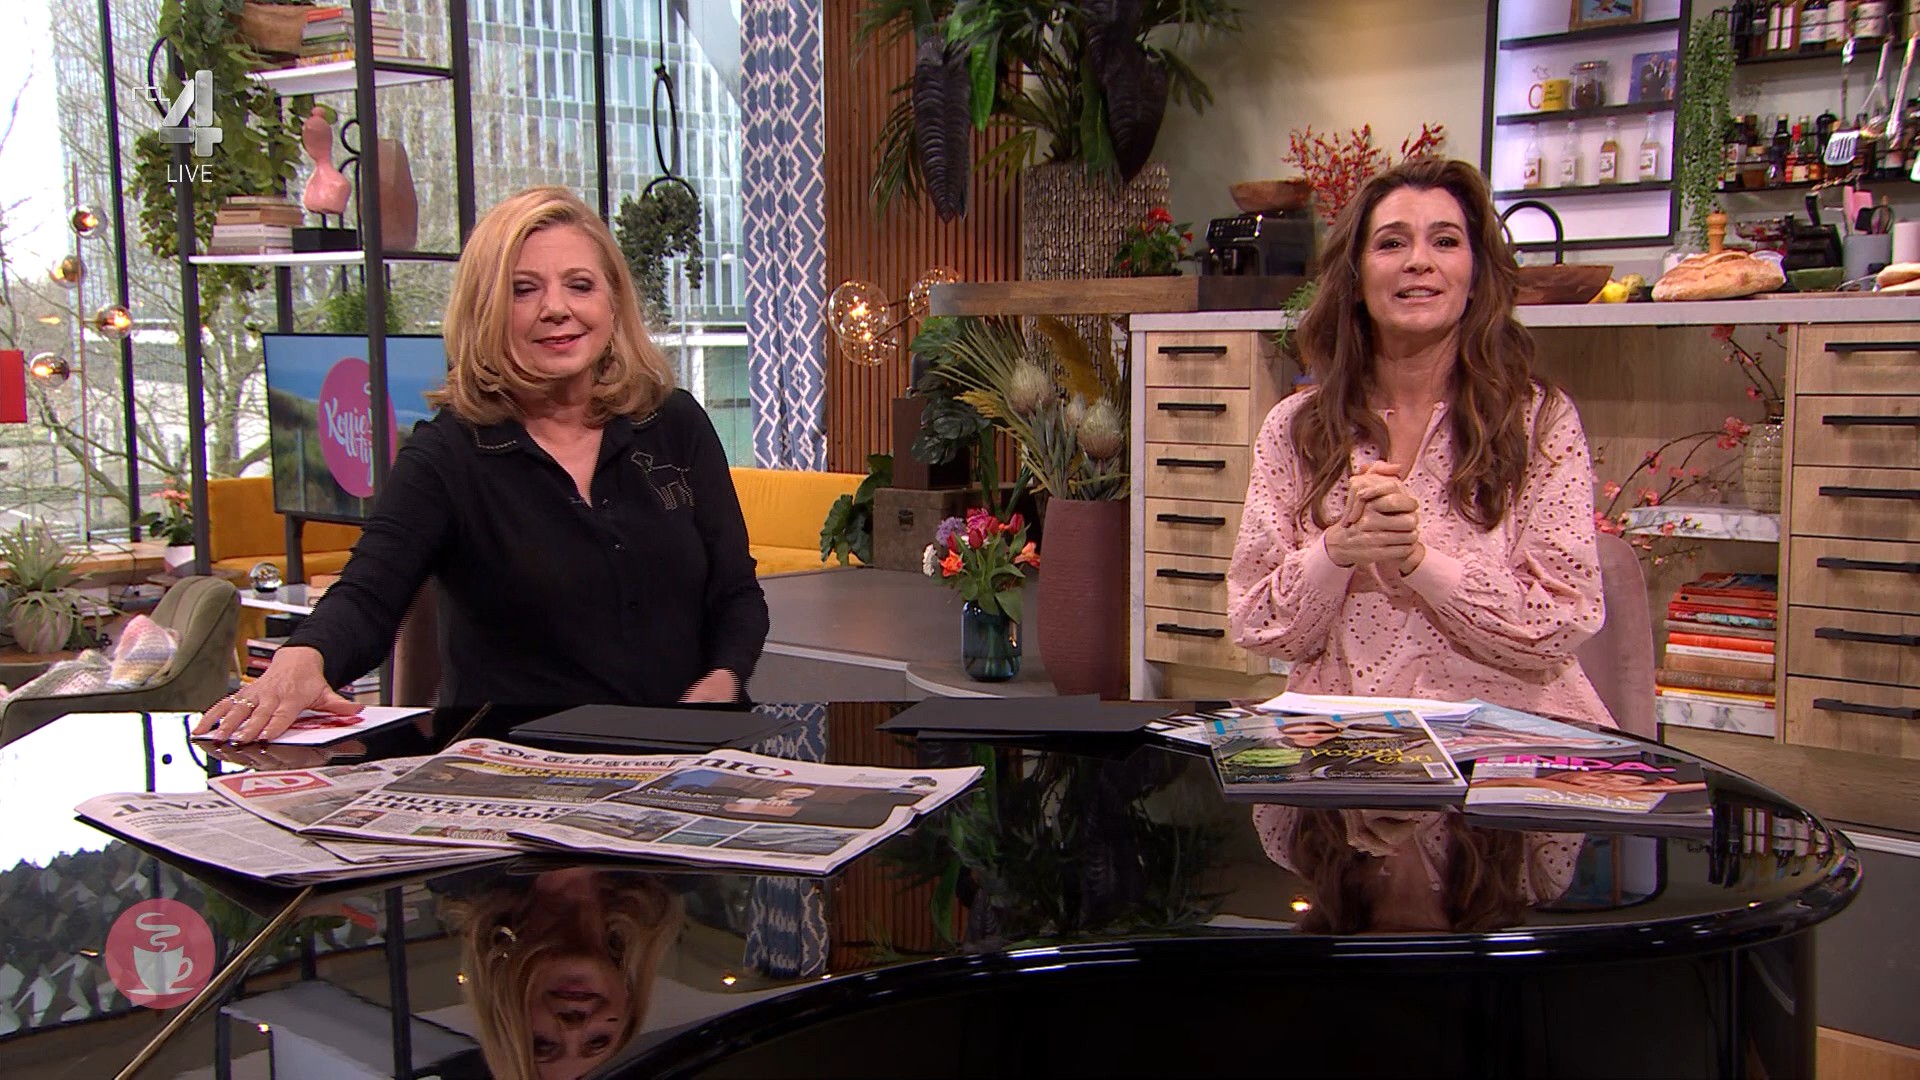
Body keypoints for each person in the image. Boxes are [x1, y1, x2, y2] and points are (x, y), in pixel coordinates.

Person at [197, 186, 768, 742]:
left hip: (681, 754)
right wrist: (302, 658)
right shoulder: (447, 455)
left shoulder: (673, 422)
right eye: (523, 290)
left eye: (580, 285)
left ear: (612, 303)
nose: (556, 309)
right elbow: (369, 595)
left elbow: (736, 591)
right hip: (516, 763)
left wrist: (726, 675)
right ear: (486, 310)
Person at [1227, 157, 1612, 728]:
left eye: (1446, 241)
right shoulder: (1295, 428)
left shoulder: (1538, 420)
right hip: (1347, 737)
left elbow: (1561, 621)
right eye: (1391, 243)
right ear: (1356, 279)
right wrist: (1339, 550)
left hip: (1505, 737)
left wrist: (1418, 562)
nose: (1419, 261)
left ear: (1475, 275)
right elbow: (1258, 627)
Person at [439, 867, 681, 1079]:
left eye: (543, 1044)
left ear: (504, 1010)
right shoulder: (673, 872)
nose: (573, 1026)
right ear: (628, 1002)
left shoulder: (458, 870)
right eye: (597, 1041)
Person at [1255, 805, 1581, 934]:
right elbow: (1569, 751)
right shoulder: (1537, 873)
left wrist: (1350, 793)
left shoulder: (1288, 840)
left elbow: (1278, 732)